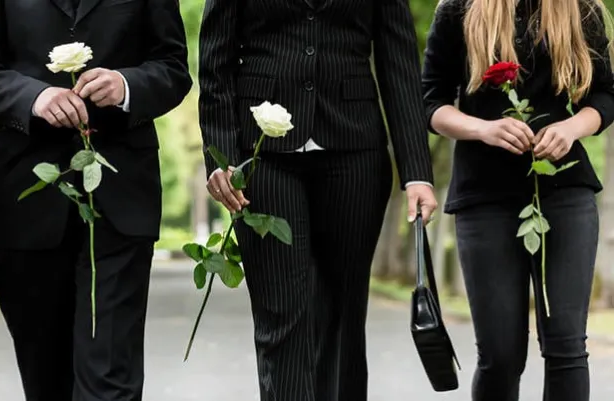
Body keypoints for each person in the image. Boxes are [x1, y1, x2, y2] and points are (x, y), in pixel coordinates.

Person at [198, 1, 438, 400]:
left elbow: (399, 61)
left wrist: (416, 171)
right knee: (281, 314)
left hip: (355, 150)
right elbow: (214, 61)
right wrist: (221, 157)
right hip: (261, 158)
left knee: (343, 314)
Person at [0, 0, 191, 400]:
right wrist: (33, 98)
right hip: (28, 201)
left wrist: (126, 85)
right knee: (45, 377)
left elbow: (173, 67)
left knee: (111, 377)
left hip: (123, 200)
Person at [422, 0, 614, 400]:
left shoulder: (583, 9)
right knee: (500, 354)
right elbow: (430, 102)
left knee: (566, 347)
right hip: (483, 198)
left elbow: (605, 95)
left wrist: (572, 128)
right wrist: (483, 129)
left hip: (565, 193)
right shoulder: (459, 9)